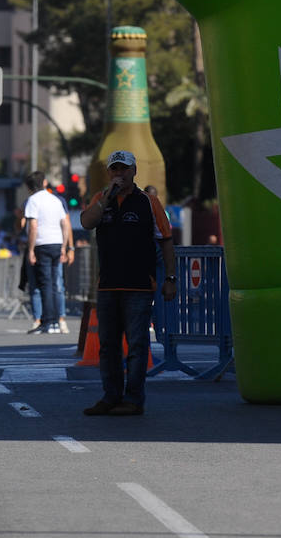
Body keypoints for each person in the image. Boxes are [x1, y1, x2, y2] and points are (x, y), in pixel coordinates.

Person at [80, 150, 177, 416]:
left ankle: (133, 399)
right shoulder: (102, 198)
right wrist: (105, 199)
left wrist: (170, 278)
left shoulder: (149, 202)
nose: (119, 174)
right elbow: (87, 222)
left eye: (124, 169)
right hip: (108, 284)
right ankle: (111, 396)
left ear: (134, 171)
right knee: (108, 345)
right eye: (115, 169)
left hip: (139, 285)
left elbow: (166, 240)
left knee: (136, 344)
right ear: (109, 173)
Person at [21, 177, 75, 333]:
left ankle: (48, 321)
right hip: (57, 244)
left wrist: (30, 250)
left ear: (30, 187)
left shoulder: (33, 200)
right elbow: (65, 224)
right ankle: (56, 320)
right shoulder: (55, 200)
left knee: (44, 283)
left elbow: (33, 226)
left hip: (42, 244)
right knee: (54, 284)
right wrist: (65, 246)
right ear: (44, 183)